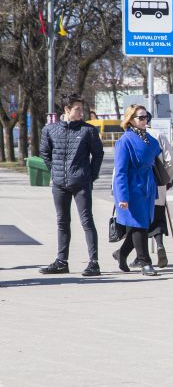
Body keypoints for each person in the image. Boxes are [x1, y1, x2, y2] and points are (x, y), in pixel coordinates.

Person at [38, 93, 104, 276]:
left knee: (87, 221)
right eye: (77, 109)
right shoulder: (49, 130)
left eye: (82, 109)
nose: (81, 112)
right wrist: (55, 171)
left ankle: (94, 262)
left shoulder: (88, 130)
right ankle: (61, 261)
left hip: (81, 182)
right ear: (67, 109)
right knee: (62, 221)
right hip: (59, 184)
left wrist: (91, 175)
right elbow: (44, 153)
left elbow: (98, 154)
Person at [111, 104, 161, 276]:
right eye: (140, 117)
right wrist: (122, 196)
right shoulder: (125, 141)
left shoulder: (149, 138)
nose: (144, 120)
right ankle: (145, 262)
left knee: (141, 224)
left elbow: (155, 151)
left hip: (147, 185)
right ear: (130, 120)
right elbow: (120, 172)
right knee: (139, 225)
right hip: (133, 187)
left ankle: (121, 253)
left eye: (146, 116)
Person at [131, 125, 173, 268]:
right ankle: (160, 245)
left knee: (138, 221)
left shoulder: (130, 136)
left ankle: (140, 256)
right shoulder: (158, 135)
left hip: (137, 184)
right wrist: (167, 179)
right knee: (158, 216)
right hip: (158, 181)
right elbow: (170, 160)